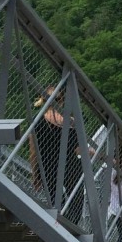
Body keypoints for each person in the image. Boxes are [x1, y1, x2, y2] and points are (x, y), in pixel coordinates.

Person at [29, 86, 86, 225]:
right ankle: (70, 226)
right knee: (76, 199)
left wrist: (35, 175)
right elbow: (78, 149)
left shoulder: (37, 122)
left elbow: (33, 152)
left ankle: (59, 227)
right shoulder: (71, 122)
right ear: (62, 101)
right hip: (71, 166)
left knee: (55, 202)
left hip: (48, 167)